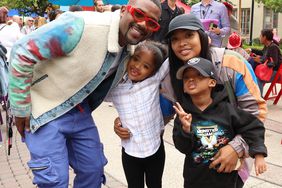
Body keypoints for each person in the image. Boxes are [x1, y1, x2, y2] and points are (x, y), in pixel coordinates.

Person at [8, 0, 161, 187]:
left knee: (93, 171)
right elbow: (22, 52)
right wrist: (20, 107)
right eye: (138, 14)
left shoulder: (131, 49)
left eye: (152, 23)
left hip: (79, 111)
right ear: (123, 10)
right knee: (54, 180)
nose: (144, 24)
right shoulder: (80, 25)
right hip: (44, 108)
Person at [114, 13, 267, 185]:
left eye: (189, 35)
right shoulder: (171, 78)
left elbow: (256, 113)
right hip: (196, 170)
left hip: (233, 165)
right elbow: (157, 113)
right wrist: (125, 121)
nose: (182, 43)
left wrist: (235, 148)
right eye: (175, 39)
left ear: (202, 36)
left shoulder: (230, 63)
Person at [173, 57, 267, 188]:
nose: (191, 79)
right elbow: (183, 148)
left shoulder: (227, 110)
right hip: (194, 180)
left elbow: (253, 126)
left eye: (199, 75)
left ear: (212, 82)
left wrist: (258, 154)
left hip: (225, 180)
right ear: (183, 87)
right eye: (186, 77)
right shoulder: (183, 114)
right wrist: (186, 130)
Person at [105, 40, 168, 188]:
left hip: (155, 149)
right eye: (136, 59)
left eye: (146, 66)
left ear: (153, 71)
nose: (137, 66)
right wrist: (117, 123)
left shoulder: (154, 81)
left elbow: (174, 59)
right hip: (130, 152)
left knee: (155, 184)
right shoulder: (116, 88)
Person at [249, 29, 282, 94]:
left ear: (265, 37)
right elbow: (263, 54)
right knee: (253, 74)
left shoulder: (273, 47)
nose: (259, 37)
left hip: (276, 72)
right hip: (270, 70)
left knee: (258, 78)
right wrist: (253, 52)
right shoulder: (267, 46)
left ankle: (259, 99)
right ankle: (257, 97)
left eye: (261, 36)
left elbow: (274, 63)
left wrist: (260, 61)